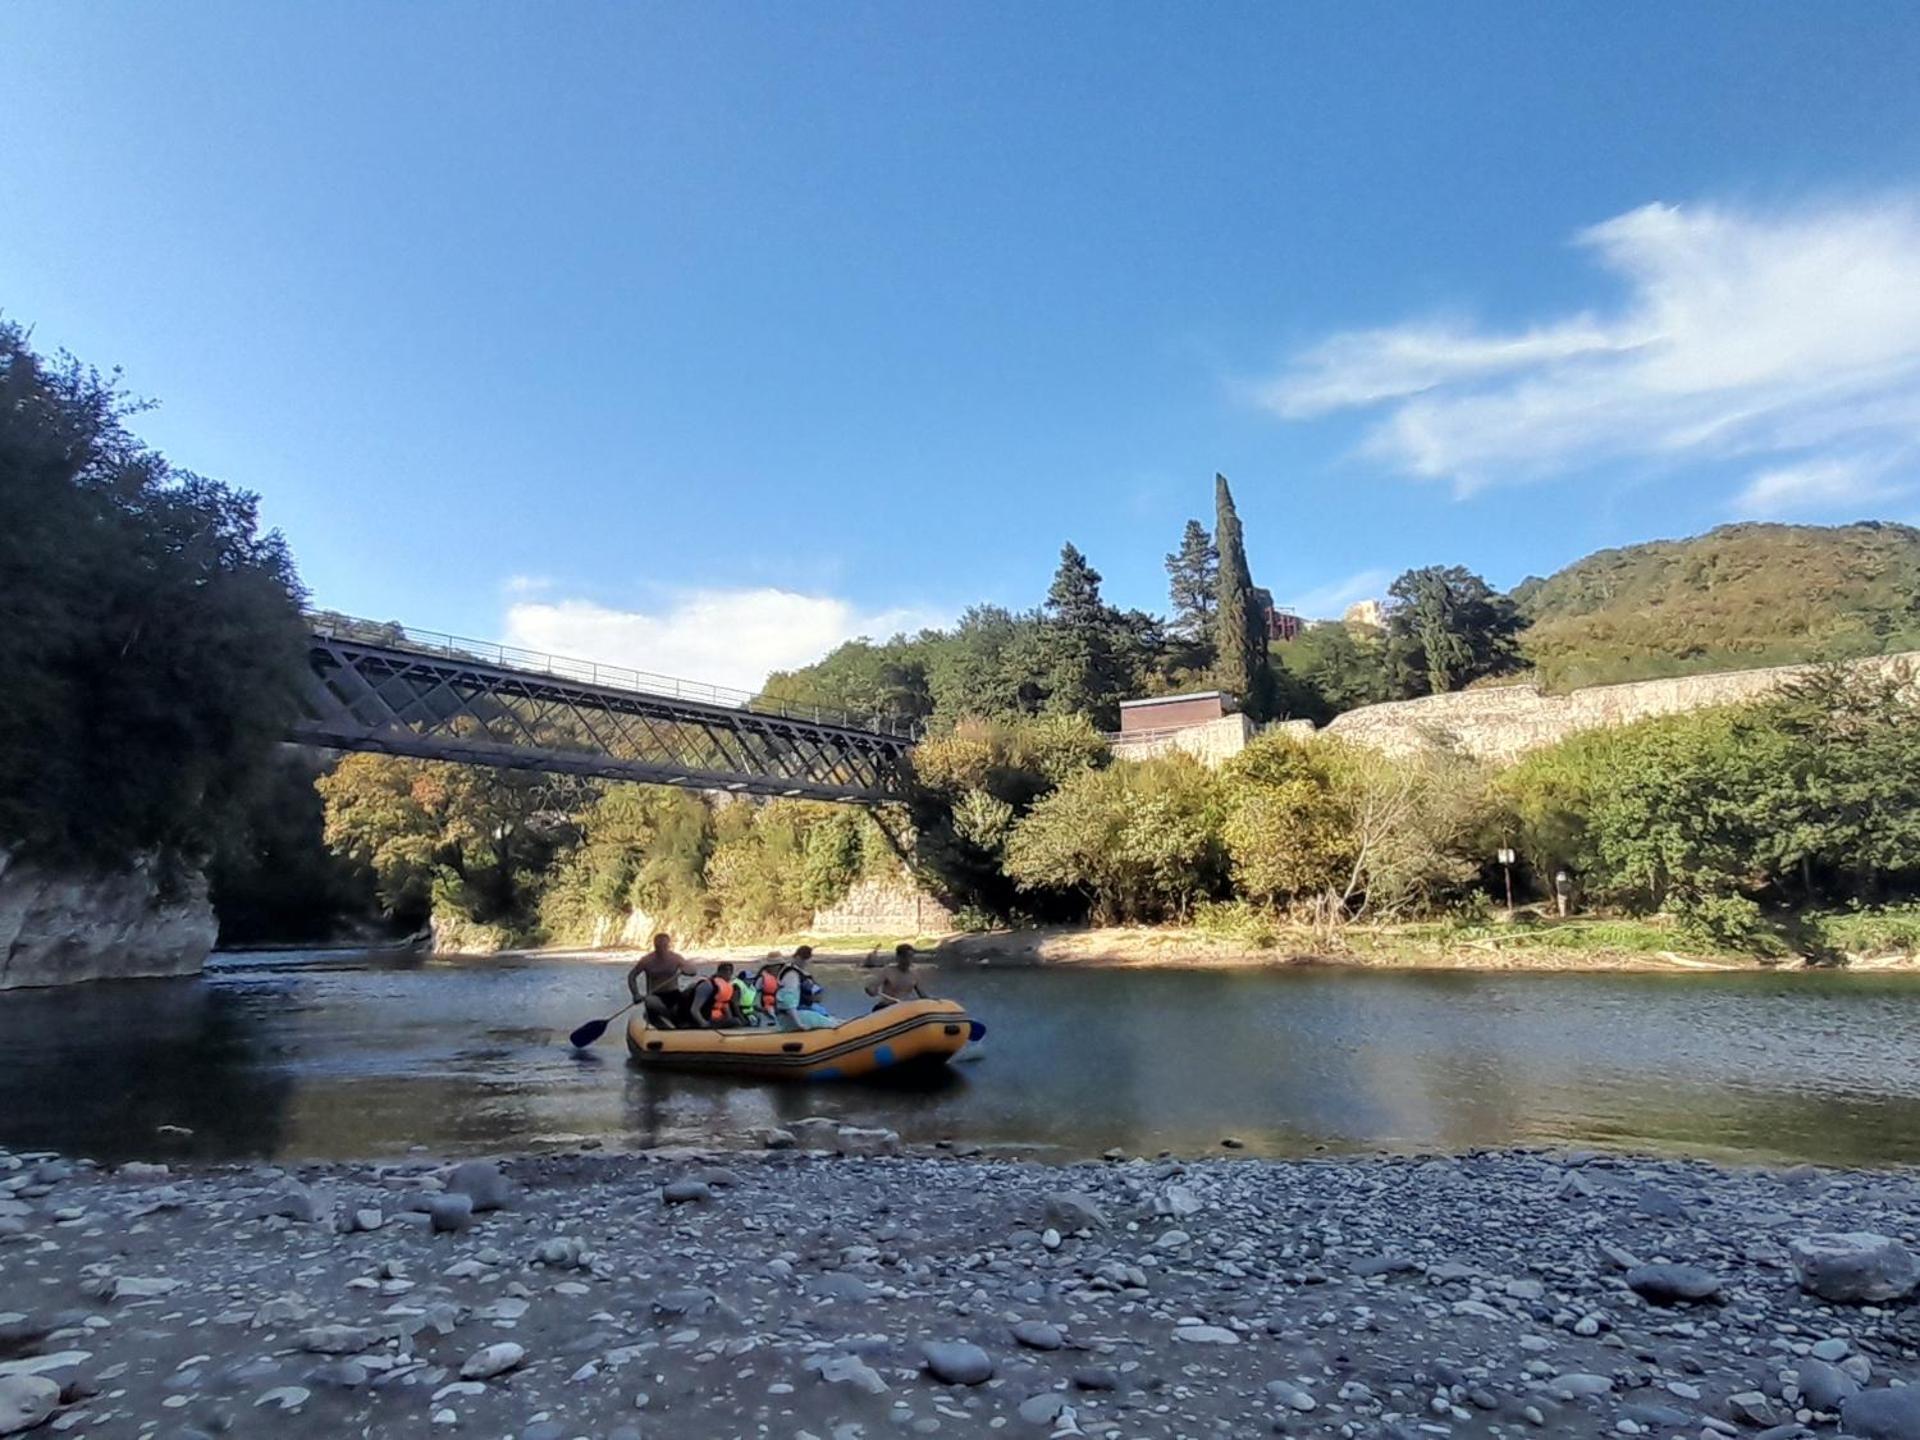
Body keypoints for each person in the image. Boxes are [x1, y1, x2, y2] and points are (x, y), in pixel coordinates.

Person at [627, 933, 699, 1029]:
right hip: (655, 995)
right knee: (650, 1001)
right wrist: (635, 994)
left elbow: (693, 971)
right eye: (658, 946)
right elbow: (632, 976)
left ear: (668, 945)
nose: (661, 948)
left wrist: (688, 971)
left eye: (664, 945)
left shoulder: (675, 958)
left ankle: (683, 1021)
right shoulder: (647, 960)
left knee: (693, 988)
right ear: (654, 945)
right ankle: (670, 1019)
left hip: (673, 993)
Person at [774, 946, 837, 1031]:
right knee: (834, 1025)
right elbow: (788, 1001)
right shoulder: (792, 975)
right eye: (804, 959)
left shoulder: (797, 972)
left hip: (799, 1012)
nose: (806, 962)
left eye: (807, 959)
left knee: (831, 1019)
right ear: (797, 957)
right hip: (792, 1017)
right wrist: (799, 1023)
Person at [866, 943, 928, 1010]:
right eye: (905, 957)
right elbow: (871, 987)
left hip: (904, 1007)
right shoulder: (887, 971)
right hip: (887, 1007)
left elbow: (923, 996)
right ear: (898, 957)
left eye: (910, 957)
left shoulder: (914, 974)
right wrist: (871, 990)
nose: (907, 960)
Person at [688, 962, 746, 1029]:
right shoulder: (708, 986)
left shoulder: (726, 988)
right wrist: (703, 1023)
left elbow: (726, 1008)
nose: (728, 974)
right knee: (736, 1021)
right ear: (719, 972)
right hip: (705, 1019)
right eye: (725, 971)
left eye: (730, 971)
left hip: (717, 1019)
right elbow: (694, 1009)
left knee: (736, 1021)